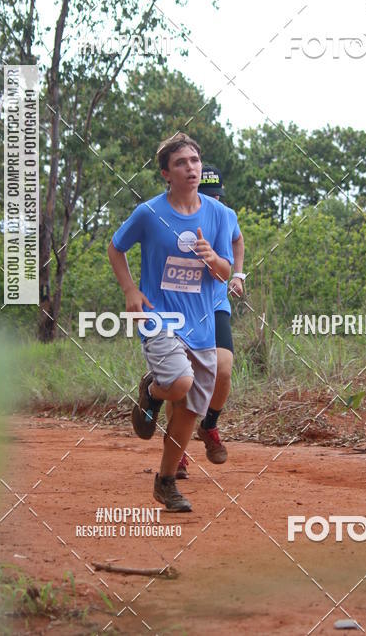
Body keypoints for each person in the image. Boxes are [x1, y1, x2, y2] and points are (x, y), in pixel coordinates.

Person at [107, 134, 233, 512]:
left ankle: (165, 483)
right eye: (181, 163)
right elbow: (116, 247)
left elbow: (227, 272)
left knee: (192, 409)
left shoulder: (220, 216)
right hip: (160, 316)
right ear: (166, 173)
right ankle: (153, 389)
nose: (191, 167)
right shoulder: (149, 213)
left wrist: (213, 257)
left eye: (195, 160)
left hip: (202, 321)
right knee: (179, 383)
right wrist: (130, 289)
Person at [174, 165, 245, 479]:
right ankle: (176, 450)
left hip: (215, 303)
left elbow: (237, 241)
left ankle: (210, 425)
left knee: (223, 368)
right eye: (208, 195)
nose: (214, 200)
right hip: (182, 305)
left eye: (218, 195)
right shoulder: (176, 216)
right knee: (182, 381)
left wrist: (238, 275)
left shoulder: (225, 214)